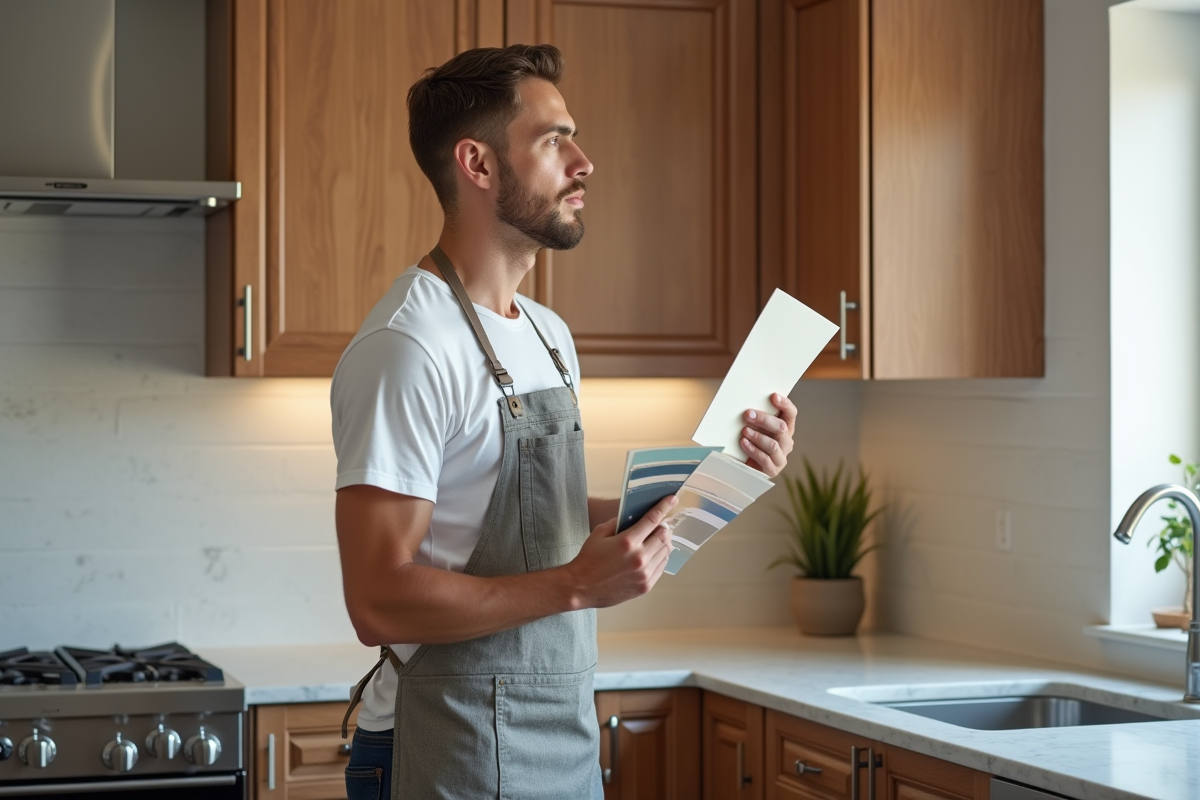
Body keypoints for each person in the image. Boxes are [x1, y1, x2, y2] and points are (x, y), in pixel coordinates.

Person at [330, 44, 797, 800]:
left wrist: (726, 476)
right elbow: (377, 599)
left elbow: (531, 514)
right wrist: (578, 585)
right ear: (478, 165)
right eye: (553, 140)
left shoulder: (549, 333)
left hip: (564, 741)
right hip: (444, 748)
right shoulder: (407, 348)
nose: (584, 162)